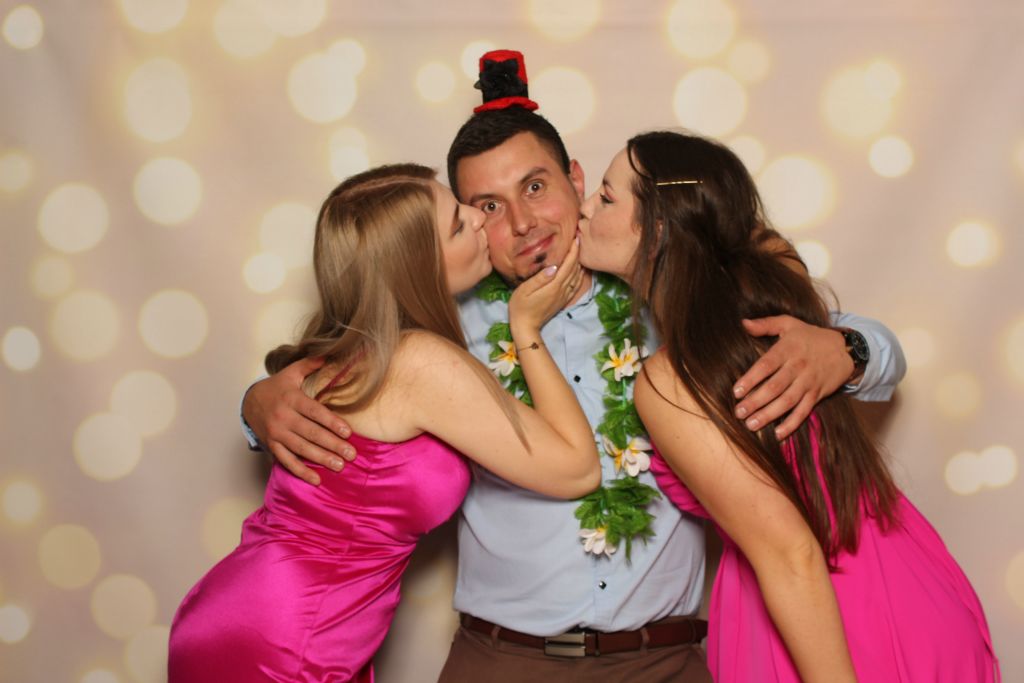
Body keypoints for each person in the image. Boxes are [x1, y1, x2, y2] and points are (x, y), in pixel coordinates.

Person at [241, 51, 908, 682]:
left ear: (578, 182)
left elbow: (882, 355)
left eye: (536, 187)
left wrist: (848, 350)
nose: (523, 222)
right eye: (488, 207)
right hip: (501, 660)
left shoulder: (667, 294)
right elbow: (332, 372)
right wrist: (258, 405)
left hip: (663, 658)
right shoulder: (442, 325)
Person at [578, 130, 999, 681]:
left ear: (657, 231)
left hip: (819, 620)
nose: (586, 207)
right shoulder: (767, 295)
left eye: (606, 197)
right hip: (906, 582)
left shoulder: (670, 378)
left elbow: (789, 553)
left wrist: (850, 349)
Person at [168, 163, 603, 682]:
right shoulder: (417, 361)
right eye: (458, 225)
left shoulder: (369, 349)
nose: (478, 219)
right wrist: (526, 326)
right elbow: (576, 469)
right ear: (417, 267)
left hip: (267, 615)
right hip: (287, 635)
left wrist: (254, 402)